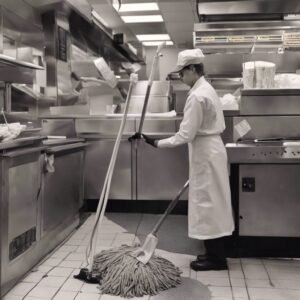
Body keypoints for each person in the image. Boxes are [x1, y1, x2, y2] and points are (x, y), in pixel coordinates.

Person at [131, 49, 234, 271]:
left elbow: (185, 135)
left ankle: (216, 259)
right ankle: (215, 254)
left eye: (181, 73)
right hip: (210, 151)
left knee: (208, 205)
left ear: (192, 69)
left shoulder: (197, 96)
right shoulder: (206, 89)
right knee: (212, 204)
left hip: (206, 154)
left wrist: (156, 143)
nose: (180, 77)